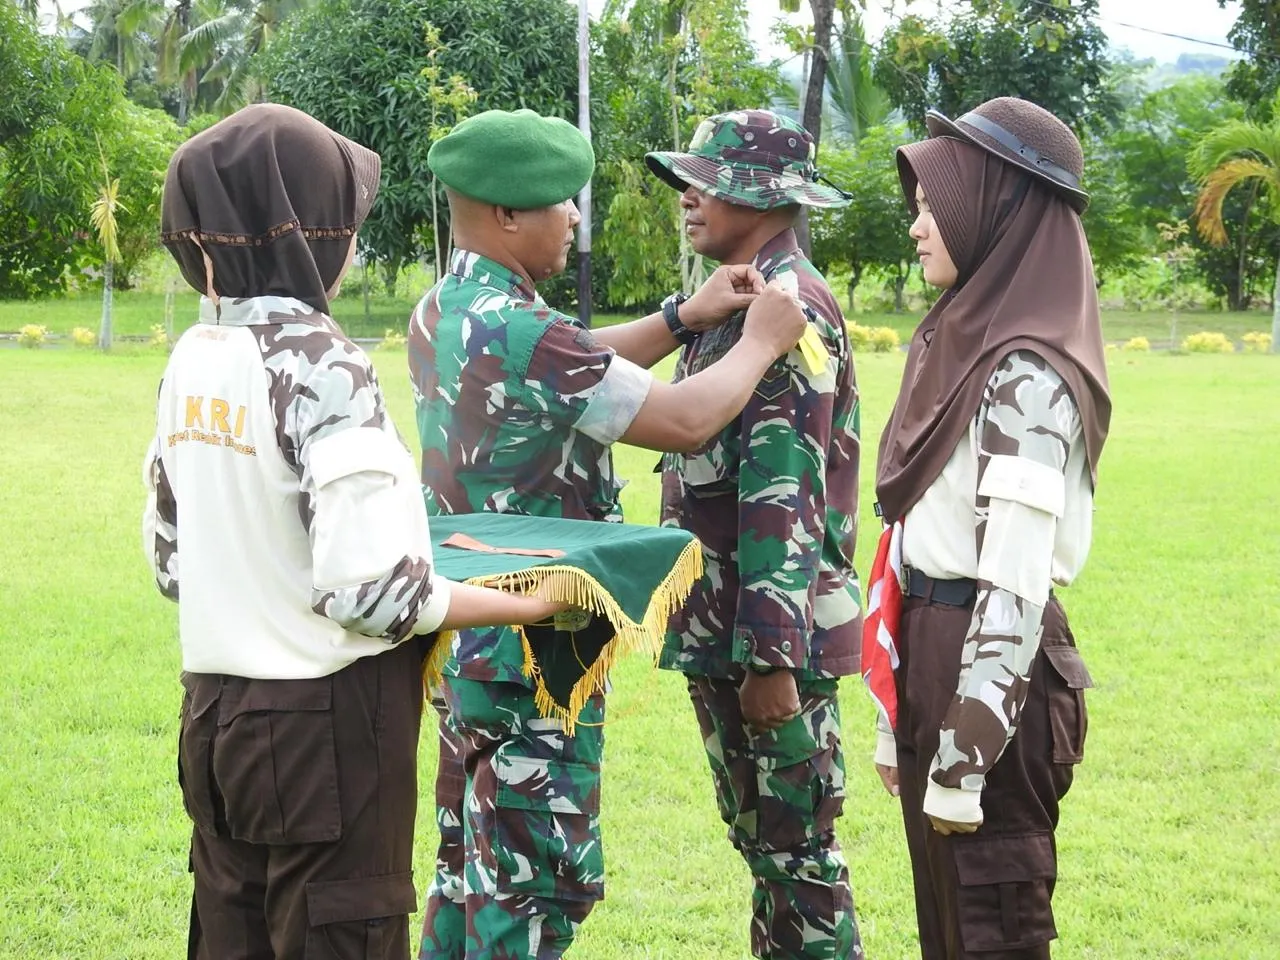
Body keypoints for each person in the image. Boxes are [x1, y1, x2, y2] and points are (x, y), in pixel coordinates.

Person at [144, 103, 567, 960]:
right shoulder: (320, 359)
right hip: (323, 732)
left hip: (214, 715)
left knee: (232, 933)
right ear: (310, 228)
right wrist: (528, 605)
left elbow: (171, 561)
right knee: (343, 933)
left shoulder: (194, 354)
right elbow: (372, 595)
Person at [408, 108, 811, 960]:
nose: (576, 219)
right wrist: (762, 341)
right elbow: (687, 419)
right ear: (509, 215)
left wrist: (681, 317)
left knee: (465, 874)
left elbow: (575, 357)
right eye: (564, 202)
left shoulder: (450, 308)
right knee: (532, 889)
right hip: (538, 644)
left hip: (466, 639)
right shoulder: (523, 329)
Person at [862, 97, 1112, 959]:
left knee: (989, 929)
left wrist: (964, 756)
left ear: (997, 210)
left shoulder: (1027, 374)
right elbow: (913, 540)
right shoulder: (966, 343)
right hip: (940, 646)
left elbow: (1012, 580)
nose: (919, 228)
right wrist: (899, 710)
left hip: (990, 670)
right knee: (947, 928)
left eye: (939, 206)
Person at [645, 109, 865, 960]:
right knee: (770, 852)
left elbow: (786, 482)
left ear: (764, 196)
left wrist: (772, 654)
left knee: (799, 858)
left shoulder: (785, 305)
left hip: (764, 636)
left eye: (710, 183)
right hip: (728, 627)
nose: (689, 199)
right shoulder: (740, 297)